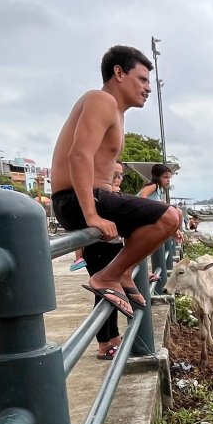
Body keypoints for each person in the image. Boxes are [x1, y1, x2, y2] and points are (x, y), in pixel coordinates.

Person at [50, 45, 182, 319]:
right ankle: (111, 275)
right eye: (142, 79)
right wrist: (92, 215)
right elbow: (79, 155)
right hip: (78, 200)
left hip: (91, 198)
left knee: (156, 226)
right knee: (170, 217)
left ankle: (119, 276)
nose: (148, 88)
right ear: (119, 73)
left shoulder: (116, 113)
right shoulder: (102, 100)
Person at [83, 162, 126, 359]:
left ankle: (114, 337)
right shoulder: (94, 195)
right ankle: (103, 344)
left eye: (120, 175)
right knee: (102, 295)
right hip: (98, 249)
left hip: (114, 248)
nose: (118, 178)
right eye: (114, 173)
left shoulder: (113, 195)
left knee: (112, 292)